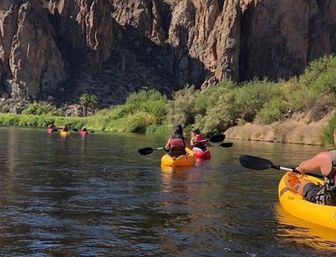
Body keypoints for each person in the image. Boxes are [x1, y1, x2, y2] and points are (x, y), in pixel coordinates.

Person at [286, 128, 336, 206]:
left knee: (305, 184)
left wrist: (298, 169)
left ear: (334, 137)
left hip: (329, 202)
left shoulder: (326, 157)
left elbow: (302, 168)